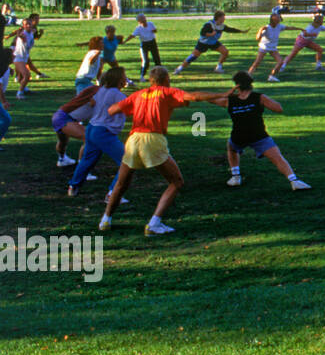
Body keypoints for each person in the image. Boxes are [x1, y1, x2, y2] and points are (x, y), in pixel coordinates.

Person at [100, 67, 226, 234]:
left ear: (151, 80)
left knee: (121, 183)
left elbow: (112, 110)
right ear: (166, 79)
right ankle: (154, 223)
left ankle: (105, 220)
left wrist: (135, 109)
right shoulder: (167, 92)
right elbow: (194, 96)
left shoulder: (139, 94)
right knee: (176, 181)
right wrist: (223, 94)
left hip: (133, 139)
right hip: (153, 139)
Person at [210, 71, 311, 190]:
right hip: (258, 135)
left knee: (231, 148)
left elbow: (210, 98)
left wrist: (226, 93)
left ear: (236, 85)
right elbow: (278, 109)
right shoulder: (259, 97)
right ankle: (294, 181)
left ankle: (235, 176)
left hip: (238, 136)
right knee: (277, 157)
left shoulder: (229, 100)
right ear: (251, 84)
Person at [67, 67, 131, 200]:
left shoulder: (100, 91)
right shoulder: (118, 95)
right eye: (124, 76)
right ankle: (112, 193)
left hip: (91, 129)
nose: (126, 79)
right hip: (103, 132)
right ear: (119, 79)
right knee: (127, 161)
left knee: (87, 160)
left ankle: (73, 186)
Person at [174, 11, 244, 75]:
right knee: (193, 56)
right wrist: (211, 34)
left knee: (225, 52)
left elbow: (230, 30)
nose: (224, 19)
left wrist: (241, 31)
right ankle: (179, 69)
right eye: (223, 17)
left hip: (213, 43)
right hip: (203, 43)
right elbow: (202, 33)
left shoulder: (222, 26)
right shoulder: (209, 24)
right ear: (219, 17)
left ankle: (218, 68)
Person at [248, 12, 295, 81]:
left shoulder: (279, 26)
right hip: (264, 47)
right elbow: (257, 38)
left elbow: (289, 28)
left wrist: (300, 29)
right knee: (257, 62)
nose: (279, 20)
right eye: (278, 19)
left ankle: (272, 76)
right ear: (273, 20)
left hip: (273, 48)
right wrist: (260, 30)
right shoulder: (267, 28)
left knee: (280, 61)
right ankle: (248, 76)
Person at [5, 16, 37, 98]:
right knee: (27, 75)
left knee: (20, 77)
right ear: (23, 26)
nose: (28, 26)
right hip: (19, 58)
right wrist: (19, 35)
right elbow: (21, 36)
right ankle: (19, 93)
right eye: (26, 24)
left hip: (24, 57)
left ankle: (24, 89)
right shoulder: (24, 33)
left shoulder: (31, 33)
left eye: (29, 24)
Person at [129, 15, 162, 83]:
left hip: (152, 43)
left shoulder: (150, 24)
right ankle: (142, 76)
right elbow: (132, 35)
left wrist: (154, 30)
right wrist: (125, 41)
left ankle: (160, 75)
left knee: (157, 59)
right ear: (139, 22)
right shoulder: (138, 29)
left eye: (144, 19)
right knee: (145, 61)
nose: (145, 21)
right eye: (142, 20)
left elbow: (155, 31)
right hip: (144, 44)